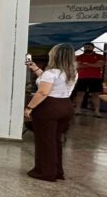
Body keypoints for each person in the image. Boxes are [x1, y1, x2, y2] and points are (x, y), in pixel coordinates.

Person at [24, 44, 78, 182]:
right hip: (66, 106)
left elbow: (43, 92)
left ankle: (45, 172)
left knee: (45, 141)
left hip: (49, 107)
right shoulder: (72, 72)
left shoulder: (51, 73)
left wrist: (30, 107)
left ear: (55, 55)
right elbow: (52, 81)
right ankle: (57, 170)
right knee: (55, 140)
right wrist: (36, 69)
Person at [73, 42, 105, 117]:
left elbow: (100, 65)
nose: (87, 48)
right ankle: (77, 110)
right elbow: (76, 66)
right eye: (85, 47)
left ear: (93, 47)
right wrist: (92, 64)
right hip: (82, 77)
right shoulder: (79, 56)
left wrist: (86, 64)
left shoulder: (100, 56)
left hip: (95, 78)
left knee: (95, 95)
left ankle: (97, 112)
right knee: (80, 94)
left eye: (89, 47)